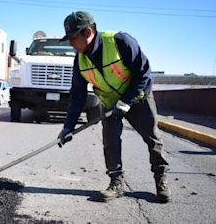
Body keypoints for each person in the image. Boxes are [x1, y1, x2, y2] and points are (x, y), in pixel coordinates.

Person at [57, 11, 171, 203]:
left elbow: (144, 74)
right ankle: (116, 182)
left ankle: (161, 178)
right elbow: (77, 95)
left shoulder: (121, 42)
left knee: (153, 139)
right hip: (110, 103)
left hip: (138, 98)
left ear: (87, 32)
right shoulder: (80, 59)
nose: (70, 44)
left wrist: (127, 101)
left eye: (73, 38)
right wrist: (68, 127)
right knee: (110, 142)